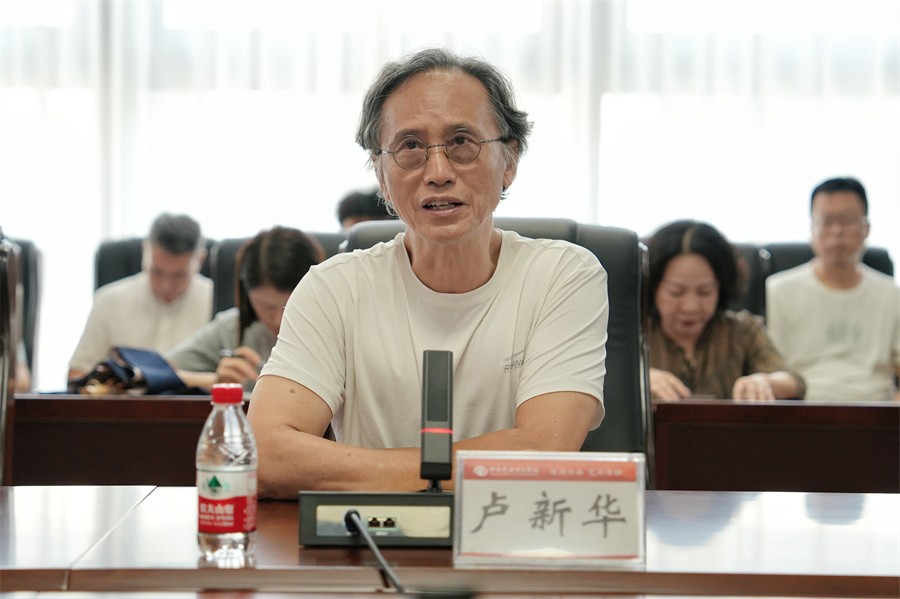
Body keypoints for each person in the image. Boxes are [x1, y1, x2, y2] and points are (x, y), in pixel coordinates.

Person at [247, 47, 608, 499]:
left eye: (462, 142)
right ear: (381, 175)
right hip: (370, 537)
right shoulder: (333, 289)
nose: (438, 173)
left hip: (509, 534)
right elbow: (264, 454)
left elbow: (543, 451)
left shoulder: (563, 276)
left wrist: (352, 471)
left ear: (510, 161)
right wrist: (465, 469)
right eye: (411, 147)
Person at [766, 177, 900, 402]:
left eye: (847, 220)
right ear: (811, 229)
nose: (837, 230)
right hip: (802, 407)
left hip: (875, 409)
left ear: (866, 228)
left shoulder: (892, 295)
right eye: (826, 221)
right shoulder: (778, 291)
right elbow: (770, 367)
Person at [646, 220, 804, 402]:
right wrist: (640, 379)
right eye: (676, 292)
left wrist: (765, 382)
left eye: (704, 292)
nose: (690, 306)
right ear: (653, 287)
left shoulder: (742, 331)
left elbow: (793, 381)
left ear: (721, 287)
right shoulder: (634, 335)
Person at [165, 226, 323, 392]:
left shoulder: (337, 329)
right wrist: (215, 381)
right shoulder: (230, 329)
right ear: (247, 296)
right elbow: (153, 372)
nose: (278, 320)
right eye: (266, 306)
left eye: (291, 306)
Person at [68, 213, 213, 380]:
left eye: (179, 275)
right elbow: (77, 374)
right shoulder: (109, 301)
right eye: (157, 271)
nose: (166, 285)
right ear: (145, 251)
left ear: (200, 259)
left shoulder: (217, 304)